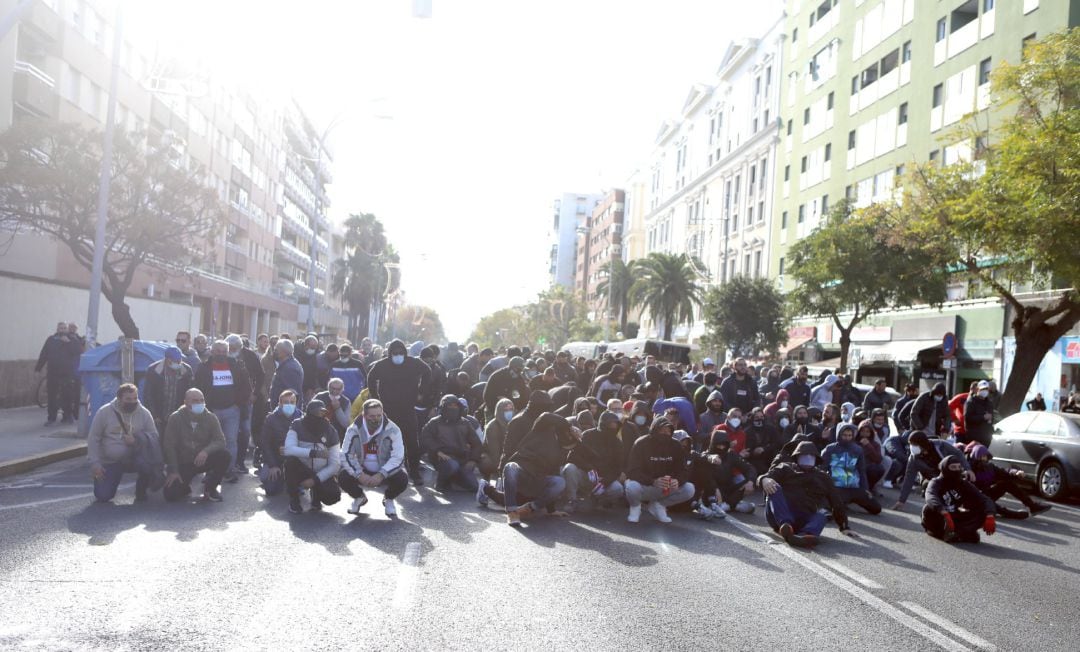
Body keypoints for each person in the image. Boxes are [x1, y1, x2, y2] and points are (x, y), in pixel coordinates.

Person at [758, 441, 854, 548]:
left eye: (810, 457)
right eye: (804, 456)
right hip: (779, 514)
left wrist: (844, 526)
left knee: (822, 515)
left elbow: (836, 501)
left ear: (816, 459)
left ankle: (805, 535)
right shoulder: (785, 468)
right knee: (774, 486)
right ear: (797, 457)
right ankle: (786, 526)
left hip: (803, 515)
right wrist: (764, 479)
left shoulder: (823, 477)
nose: (807, 460)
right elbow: (764, 477)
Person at [366, 339, 432, 485]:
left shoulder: (413, 363)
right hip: (388, 409)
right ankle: (385, 472)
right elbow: (370, 378)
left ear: (405, 353)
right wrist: (376, 397)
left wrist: (422, 391)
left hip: (408, 408)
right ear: (390, 353)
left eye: (401, 353)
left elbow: (427, 371)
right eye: (395, 353)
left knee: (411, 442)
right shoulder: (382, 365)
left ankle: (414, 471)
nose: (398, 355)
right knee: (386, 442)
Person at [87, 384, 161, 503]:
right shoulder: (104, 412)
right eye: (128, 399)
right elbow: (93, 438)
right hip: (110, 461)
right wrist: (95, 463)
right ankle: (105, 482)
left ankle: (141, 490)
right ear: (119, 398)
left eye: (135, 398)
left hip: (135, 458)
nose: (132, 402)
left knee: (147, 465)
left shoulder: (144, 413)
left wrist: (136, 440)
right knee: (103, 496)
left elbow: (154, 437)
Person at [502, 413, 576, 526]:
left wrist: (552, 510)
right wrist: (569, 425)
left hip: (537, 480)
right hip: (522, 471)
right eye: (570, 433)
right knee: (510, 467)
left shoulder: (563, 450)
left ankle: (529, 508)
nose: (570, 436)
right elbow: (545, 416)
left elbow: (555, 473)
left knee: (560, 482)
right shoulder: (543, 429)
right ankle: (512, 512)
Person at [339, 399, 409, 517]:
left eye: (378, 415)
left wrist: (381, 474)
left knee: (402, 478)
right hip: (362, 468)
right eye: (371, 416)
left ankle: (389, 498)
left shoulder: (393, 429)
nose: (375, 419)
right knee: (342, 476)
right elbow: (346, 455)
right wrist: (359, 474)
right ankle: (359, 497)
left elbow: (398, 457)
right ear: (364, 415)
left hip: (384, 469)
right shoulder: (353, 429)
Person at [194, 340, 251, 483]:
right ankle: (209, 471)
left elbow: (246, 386)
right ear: (212, 351)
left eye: (223, 351)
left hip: (232, 410)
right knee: (209, 442)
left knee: (231, 441)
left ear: (227, 352)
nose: (221, 354)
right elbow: (197, 387)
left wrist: (238, 403)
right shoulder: (203, 367)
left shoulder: (236, 366)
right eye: (218, 351)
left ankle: (228, 469)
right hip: (210, 411)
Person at [162, 388, 231, 502]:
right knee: (170, 495)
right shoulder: (175, 418)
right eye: (195, 401)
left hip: (202, 459)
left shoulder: (211, 417)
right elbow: (169, 445)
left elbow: (220, 441)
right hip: (184, 462)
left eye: (201, 400)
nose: (199, 403)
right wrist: (174, 470)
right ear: (185, 402)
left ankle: (211, 488)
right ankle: (185, 487)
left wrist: (206, 451)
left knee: (224, 455)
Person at [625, 416, 695, 524]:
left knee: (689, 489)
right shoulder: (641, 443)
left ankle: (659, 506)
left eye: (668, 431)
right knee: (631, 486)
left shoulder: (675, 445)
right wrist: (652, 481)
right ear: (654, 429)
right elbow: (632, 471)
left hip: (666, 487)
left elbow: (684, 470)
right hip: (645, 486)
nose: (665, 434)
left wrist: (678, 480)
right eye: (662, 430)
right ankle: (635, 508)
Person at [283, 399, 342, 514]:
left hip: (319, 471)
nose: (319, 416)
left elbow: (335, 465)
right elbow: (289, 449)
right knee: (290, 462)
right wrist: (314, 453)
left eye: (322, 413)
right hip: (301, 469)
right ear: (308, 413)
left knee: (333, 496)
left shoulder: (331, 431)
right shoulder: (297, 425)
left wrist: (314, 480)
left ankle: (316, 495)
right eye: (316, 413)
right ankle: (294, 499)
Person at [922, 455, 996, 544]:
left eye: (959, 467)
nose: (957, 470)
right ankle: (945, 533)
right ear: (945, 468)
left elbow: (984, 499)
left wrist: (990, 515)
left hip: (954, 516)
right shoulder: (936, 482)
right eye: (953, 467)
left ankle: (958, 533)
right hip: (940, 517)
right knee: (928, 508)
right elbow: (930, 496)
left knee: (985, 510)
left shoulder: (963, 483)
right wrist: (943, 512)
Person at [561, 410, 626, 512]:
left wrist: (605, 482)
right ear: (603, 424)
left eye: (616, 424)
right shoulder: (588, 435)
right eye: (611, 424)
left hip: (603, 479)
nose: (613, 427)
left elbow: (618, 468)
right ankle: (571, 500)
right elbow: (572, 456)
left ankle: (598, 499)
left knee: (618, 489)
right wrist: (589, 468)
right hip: (586, 474)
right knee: (569, 468)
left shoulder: (617, 443)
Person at [965, 443, 1051, 518]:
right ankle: (1011, 514)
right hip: (974, 500)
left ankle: (1032, 506)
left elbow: (1004, 471)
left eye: (985, 456)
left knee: (1007, 484)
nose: (983, 459)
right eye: (981, 456)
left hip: (986, 495)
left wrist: (1015, 472)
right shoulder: (969, 469)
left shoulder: (989, 467)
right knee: (993, 508)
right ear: (975, 456)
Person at [892, 431, 972, 511]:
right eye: (911, 445)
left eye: (914, 445)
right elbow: (909, 479)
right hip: (931, 479)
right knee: (930, 487)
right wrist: (901, 500)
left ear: (922, 444)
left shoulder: (940, 445)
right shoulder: (913, 459)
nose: (912, 447)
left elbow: (958, 453)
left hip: (950, 473)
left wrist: (967, 469)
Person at [422, 394, 482, 493]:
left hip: (462, 459)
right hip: (444, 458)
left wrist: (473, 460)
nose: (453, 408)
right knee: (452, 466)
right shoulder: (434, 422)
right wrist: (437, 451)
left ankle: (455, 478)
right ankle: (440, 482)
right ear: (443, 407)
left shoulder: (465, 423)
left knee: (474, 487)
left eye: (455, 406)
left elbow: (476, 443)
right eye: (450, 406)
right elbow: (425, 437)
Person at [821, 423, 882, 515]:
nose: (847, 438)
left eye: (849, 435)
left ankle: (846, 502)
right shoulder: (830, 449)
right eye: (844, 435)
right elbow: (822, 469)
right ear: (839, 434)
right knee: (833, 509)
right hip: (837, 488)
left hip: (854, 488)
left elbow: (862, 471)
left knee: (877, 509)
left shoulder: (857, 450)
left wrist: (865, 489)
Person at [226, 334, 263, 476]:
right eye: (230, 348)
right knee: (230, 434)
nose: (231, 350)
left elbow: (260, 375)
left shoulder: (250, 356)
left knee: (245, 431)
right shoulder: (223, 355)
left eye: (234, 348)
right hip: (228, 401)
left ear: (240, 347)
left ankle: (240, 462)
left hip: (246, 401)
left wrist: (255, 394)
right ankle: (229, 464)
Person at [35, 321, 80, 425]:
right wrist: (38, 369)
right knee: (52, 396)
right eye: (61, 328)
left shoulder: (72, 340)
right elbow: (44, 354)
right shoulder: (51, 340)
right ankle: (51, 418)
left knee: (67, 395)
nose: (62, 330)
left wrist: (68, 342)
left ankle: (67, 416)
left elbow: (78, 352)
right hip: (52, 372)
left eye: (64, 328)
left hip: (67, 373)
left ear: (67, 329)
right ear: (57, 329)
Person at [258, 390, 301, 497]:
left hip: (296, 459)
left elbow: (307, 442)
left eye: (292, 402)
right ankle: (282, 478)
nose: (289, 405)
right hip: (276, 458)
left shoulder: (302, 418)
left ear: (296, 403)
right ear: (279, 404)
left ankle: (295, 481)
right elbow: (265, 443)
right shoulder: (271, 419)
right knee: (270, 489)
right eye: (286, 402)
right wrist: (272, 465)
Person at [704, 429, 757, 514]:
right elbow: (706, 476)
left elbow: (749, 468)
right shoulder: (706, 456)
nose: (722, 448)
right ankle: (734, 505)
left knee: (748, 481)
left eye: (724, 445)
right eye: (719, 445)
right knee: (709, 488)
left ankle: (729, 505)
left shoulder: (731, 455)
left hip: (728, 489)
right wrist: (715, 488)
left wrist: (751, 481)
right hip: (713, 490)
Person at [143, 346, 195, 433]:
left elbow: (190, 392)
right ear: (167, 359)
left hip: (179, 416)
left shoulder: (186, 370)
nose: (178, 363)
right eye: (175, 361)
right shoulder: (154, 370)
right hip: (160, 416)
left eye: (179, 360)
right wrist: (154, 415)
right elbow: (148, 394)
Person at [479, 398, 515, 485]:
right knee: (486, 463)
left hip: (508, 456)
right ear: (499, 411)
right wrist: (502, 469)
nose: (509, 412)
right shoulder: (492, 427)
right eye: (505, 410)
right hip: (492, 456)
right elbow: (494, 451)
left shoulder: (514, 423)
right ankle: (487, 481)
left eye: (511, 409)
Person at [269, 339, 304, 409]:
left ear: (284, 352)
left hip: (286, 413)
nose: (274, 352)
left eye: (276, 350)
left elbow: (292, 394)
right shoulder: (285, 365)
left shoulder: (290, 368)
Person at [963, 380, 996, 447]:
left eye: (986, 389)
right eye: (983, 389)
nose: (985, 391)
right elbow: (967, 418)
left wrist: (990, 420)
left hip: (986, 438)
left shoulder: (989, 403)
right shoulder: (971, 402)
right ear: (977, 389)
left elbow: (992, 417)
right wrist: (982, 417)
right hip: (974, 438)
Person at [295, 335, 322, 402]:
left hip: (310, 389)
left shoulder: (315, 355)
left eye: (316, 347)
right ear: (306, 345)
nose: (314, 349)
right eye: (312, 347)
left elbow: (314, 373)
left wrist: (311, 388)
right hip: (297, 387)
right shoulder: (296, 355)